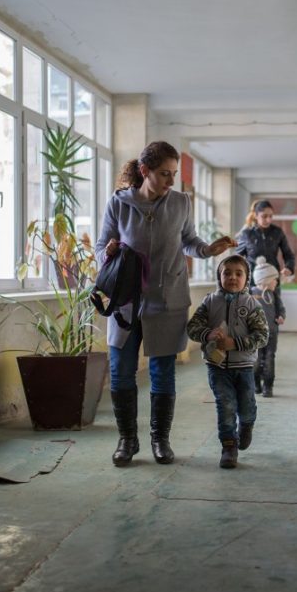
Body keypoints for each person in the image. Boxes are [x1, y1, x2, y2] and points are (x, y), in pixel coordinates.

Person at [95, 141, 236, 467]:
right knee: (121, 373)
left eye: (173, 174)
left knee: (162, 373)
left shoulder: (181, 203)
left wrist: (209, 250)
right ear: (145, 171)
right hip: (125, 302)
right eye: (164, 174)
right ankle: (127, 441)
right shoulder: (119, 204)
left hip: (167, 299)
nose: (171, 181)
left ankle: (160, 440)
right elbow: (101, 245)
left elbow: (188, 240)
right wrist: (108, 253)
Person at [186, 255, 269, 469]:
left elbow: (262, 335)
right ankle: (229, 447)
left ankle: (247, 425)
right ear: (219, 276)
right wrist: (207, 334)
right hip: (217, 367)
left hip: (244, 367)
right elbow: (192, 327)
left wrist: (235, 343)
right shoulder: (210, 301)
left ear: (247, 278)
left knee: (246, 406)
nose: (232, 277)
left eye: (238, 273)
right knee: (226, 406)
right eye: (227, 273)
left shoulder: (251, 304)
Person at [235, 200, 296, 286]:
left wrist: (289, 267)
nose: (268, 220)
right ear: (256, 215)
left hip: (273, 281)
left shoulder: (277, 232)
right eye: (264, 216)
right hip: (252, 282)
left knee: (274, 300)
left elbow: (289, 255)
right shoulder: (247, 234)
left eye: (271, 216)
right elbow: (237, 258)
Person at [250, 256, 286, 398]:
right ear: (264, 280)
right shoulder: (251, 295)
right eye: (274, 279)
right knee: (256, 361)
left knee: (270, 359)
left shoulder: (274, 295)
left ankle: (268, 386)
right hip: (255, 335)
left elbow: (280, 309)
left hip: (271, 333)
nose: (276, 282)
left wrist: (281, 316)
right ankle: (256, 383)